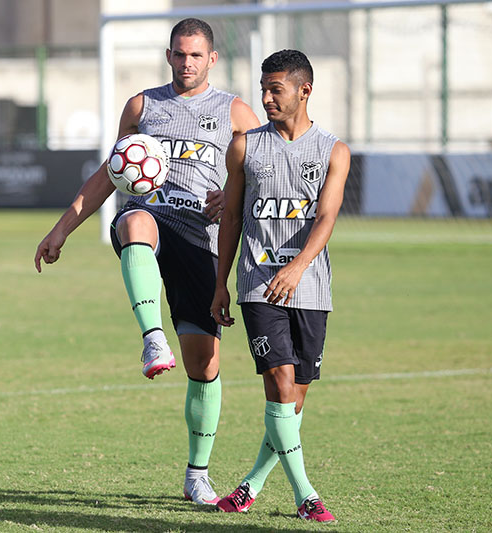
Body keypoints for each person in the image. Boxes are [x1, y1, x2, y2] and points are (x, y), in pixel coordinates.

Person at [34, 18, 260, 506]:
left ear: (212, 59)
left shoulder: (235, 112)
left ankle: (197, 475)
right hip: (151, 214)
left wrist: (232, 196)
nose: (186, 63)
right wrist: (61, 230)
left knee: (205, 364)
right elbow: (111, 172)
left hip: (201, 239)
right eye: (179, 54)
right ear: (168, 55)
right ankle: (152, 339)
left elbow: (264, 168)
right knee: (134, 222)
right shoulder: (142, 105)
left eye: (196, 55)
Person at [210, 49, 350, 522]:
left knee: (294, 399)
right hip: (257, 283)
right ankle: (306, 496)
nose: (266, 97)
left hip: (310, 289)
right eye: (263, 88)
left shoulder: (333, 151)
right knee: (280, 383)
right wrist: (221, 283)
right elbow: (230, 216)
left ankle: (249, 486)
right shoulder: (245, 146)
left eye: (276, 89)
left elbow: (327, 217)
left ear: (304, 90)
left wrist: (298, 268)